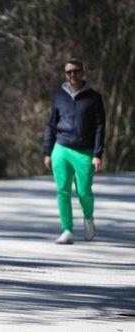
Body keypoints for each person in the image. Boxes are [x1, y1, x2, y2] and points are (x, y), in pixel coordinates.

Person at [43, 58, 105, 245]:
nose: (72, 75)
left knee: (84, 191)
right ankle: (67, 230)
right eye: (69, 72)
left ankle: (88, 218)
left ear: (83, 72)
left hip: (84, 151)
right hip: (61, 148)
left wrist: (97, 154)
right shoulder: (59, 96)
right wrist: (48, 151)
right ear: (65, 74)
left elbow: (100, 127)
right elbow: (51, 124)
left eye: (76, 71)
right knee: (62, 191)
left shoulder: (94, 97)